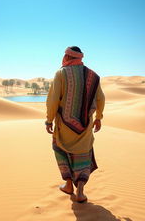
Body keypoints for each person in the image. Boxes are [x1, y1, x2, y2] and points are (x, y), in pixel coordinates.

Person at [45, 46, 105, 203]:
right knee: (83, 153)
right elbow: (101, 98)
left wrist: (49, 119)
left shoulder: (61, 73)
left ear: (67, 57)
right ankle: (80, 192)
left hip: (63, 125)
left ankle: (69, 185)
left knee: (60, 149)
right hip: (86, 126)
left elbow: (53, 100)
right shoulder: (93, 75)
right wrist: (98, 117)